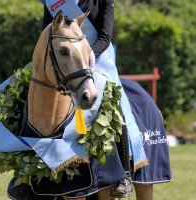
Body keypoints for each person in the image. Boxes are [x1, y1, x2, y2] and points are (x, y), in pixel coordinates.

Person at [42, 0, 132, 197]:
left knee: (115, 103)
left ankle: (123, 174)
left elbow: (105, 37)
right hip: (66, 63)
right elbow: (46, 34)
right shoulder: (53, 2)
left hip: (97, 60)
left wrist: (85, 56)